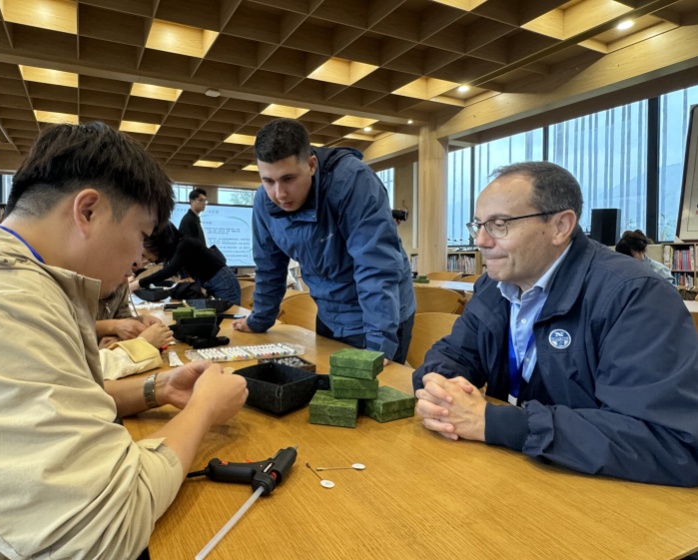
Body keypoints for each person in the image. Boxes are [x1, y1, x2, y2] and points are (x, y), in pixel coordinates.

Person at [0, 121, 248, 558]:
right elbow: (103, 533)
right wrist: (204, 408)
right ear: (88, 211)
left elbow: (47, 400)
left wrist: (157, 387)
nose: (138, 259)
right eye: (140, 237)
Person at [413, 161, 698, 487]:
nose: (480, 240)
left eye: (499, 224)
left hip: (608, 500)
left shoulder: (635, 296)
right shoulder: (495, 286)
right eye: (477, 225)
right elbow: (454, 355)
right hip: (520, 475)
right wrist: (440, 388)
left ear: (561, 226)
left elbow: (673, 444)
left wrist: (498, 424)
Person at [232, 118, 415, 363]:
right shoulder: (264, 201)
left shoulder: (353, 181)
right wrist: (260, 320)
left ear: (311, 165)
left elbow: (376, 267)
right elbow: (269, 266)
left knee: (373, 393)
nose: (280, 194)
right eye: (268, 181)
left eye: (288, 179)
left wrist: (378, 346)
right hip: (329, 312)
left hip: (380, 316)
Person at [132, 223, 241, 305]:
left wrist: (138, 283)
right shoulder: (177, 248)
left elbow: (169, 270)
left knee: (229, 318)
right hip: (213, 283)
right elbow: (160, 266)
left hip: (223, 283)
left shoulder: (185, 244)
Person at [96, 280, 174, 349]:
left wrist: (140, 320)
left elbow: (122, 318)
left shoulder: (121, 284)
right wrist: (114, 326)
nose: (126, 282)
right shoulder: (85, 288)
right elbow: (84, 327)